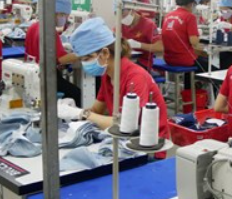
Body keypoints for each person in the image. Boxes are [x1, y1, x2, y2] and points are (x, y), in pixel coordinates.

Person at [60, 18, 169, 146]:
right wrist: (72, 111)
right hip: (123, 139)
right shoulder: (108, 75)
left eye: (87, 58)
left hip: (146, 144)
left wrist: (82, 113)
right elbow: (97, 110)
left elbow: (126, 125)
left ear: (105, 53)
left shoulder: (136, 77)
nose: (85, 64)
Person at [24, 0, 82, 104]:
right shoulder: (49, 31)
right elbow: (61, 59)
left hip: (33, 72)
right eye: (64, 15)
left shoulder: (34, 27)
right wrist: (83, 54)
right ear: (56, 13)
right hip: (46, 77)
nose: (65, 18)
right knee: (77, 93)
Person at [161, 0, 208, 70]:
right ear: (192, 4)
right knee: (212, 67)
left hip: (168, 59)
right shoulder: (190, 17)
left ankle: (189, 78)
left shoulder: (168, 15)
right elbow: (194, 42)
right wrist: (198, 34)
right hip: (185, 59)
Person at [121, 4, 161, 72]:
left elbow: (160, 47)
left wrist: (139, 45)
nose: (122, 18)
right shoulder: (122, 24)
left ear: (132, 10)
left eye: (123, 15)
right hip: (126, 60)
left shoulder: (149, 25)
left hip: (143, 62)